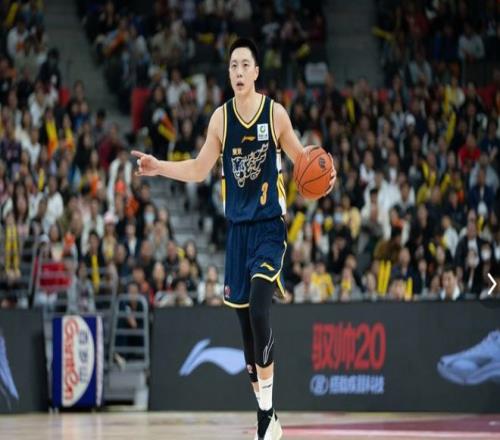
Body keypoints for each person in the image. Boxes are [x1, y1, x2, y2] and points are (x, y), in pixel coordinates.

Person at [132, 38, 336, 440]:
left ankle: (266, 416)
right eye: (233, 66)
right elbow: (198, 170)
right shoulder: (220, 120)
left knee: (260, 311)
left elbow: (302, 159)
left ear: (256, 72)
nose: (239, 72)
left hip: (269, 227)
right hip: (237, 232)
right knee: (246, 330)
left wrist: (326, 175)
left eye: (245, 65)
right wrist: (158, 167)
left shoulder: (274, 114)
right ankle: (268, 416)